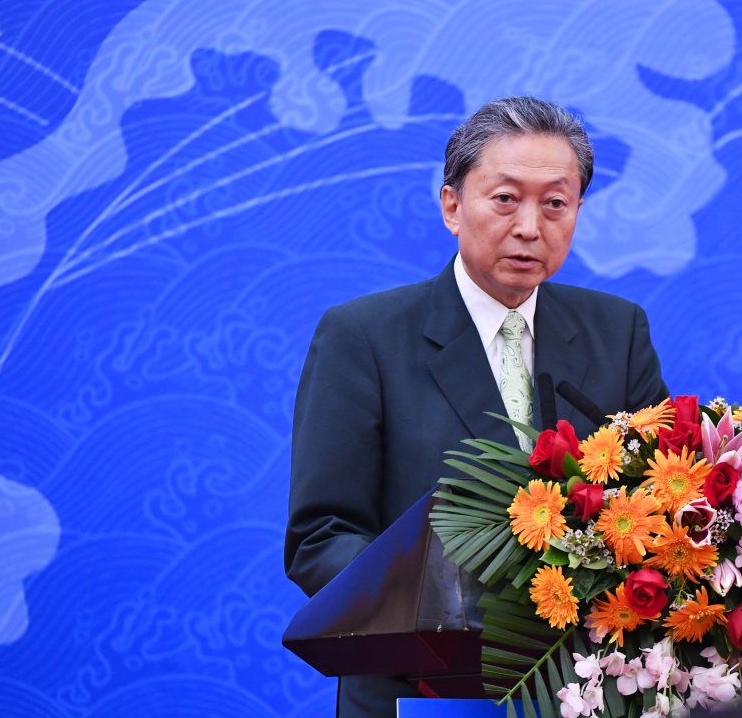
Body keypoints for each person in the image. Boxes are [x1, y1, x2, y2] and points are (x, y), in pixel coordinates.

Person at [285, 96, 670, 717]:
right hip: (421, 692)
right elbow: (321, 536)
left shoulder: (617, 332)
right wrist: (444, 605)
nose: (530, 226)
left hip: (588, 690)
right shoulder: (364, 337)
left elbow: (661, 508)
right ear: (452, 206)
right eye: (506, 198)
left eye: (555, 203)